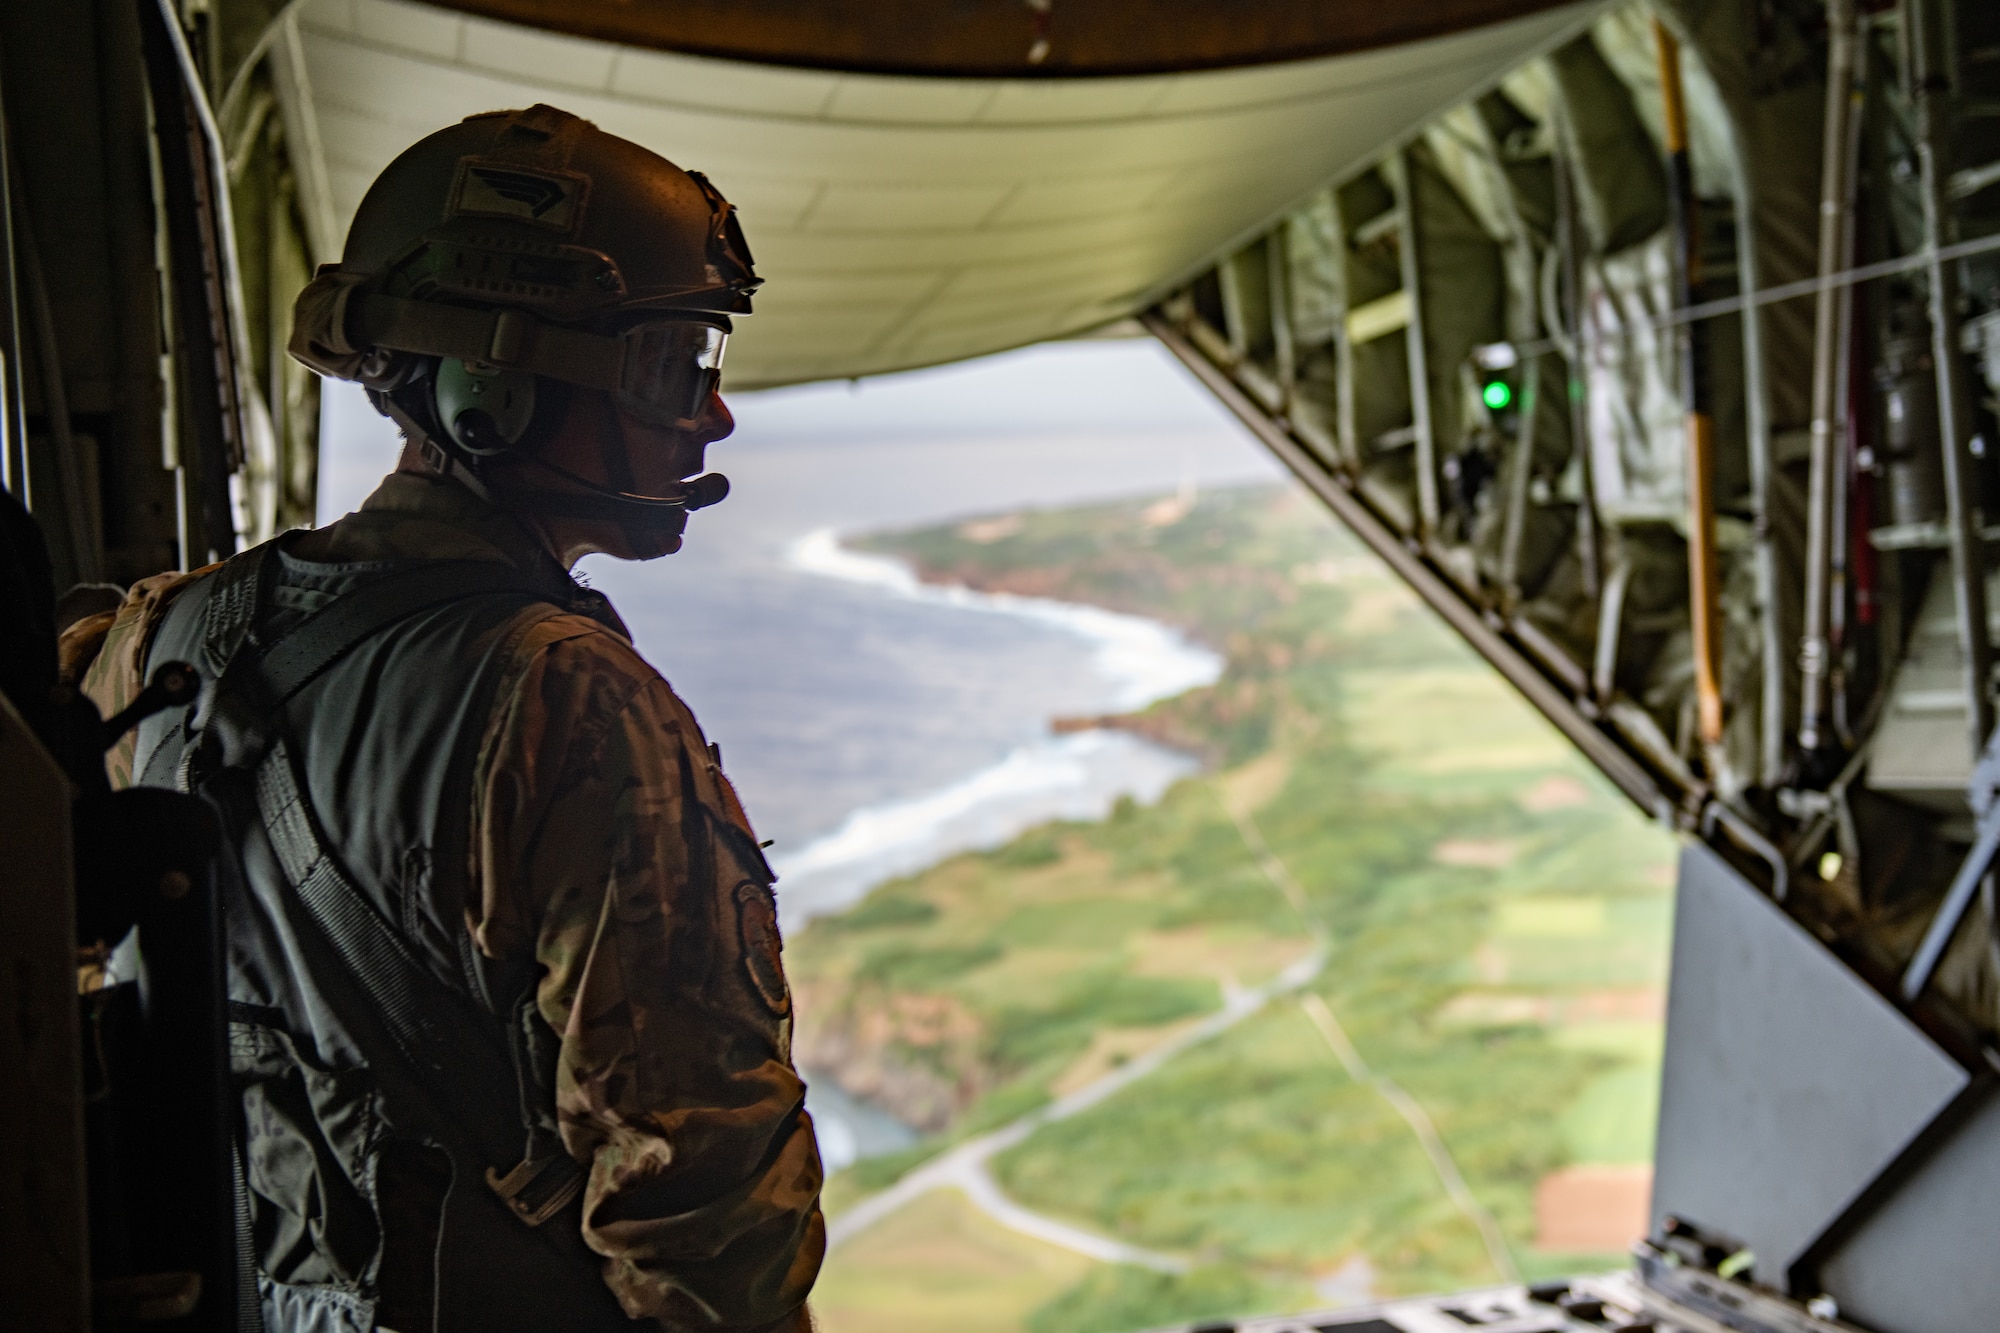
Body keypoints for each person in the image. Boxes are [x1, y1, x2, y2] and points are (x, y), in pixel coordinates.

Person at [67, 105, 823, 1333]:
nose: (710, 414)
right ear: (495, 389)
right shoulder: (571, 703)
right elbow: (698, 1204)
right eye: (671, 363)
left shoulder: (156, 639)